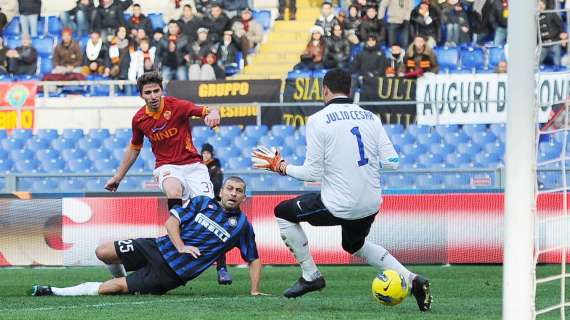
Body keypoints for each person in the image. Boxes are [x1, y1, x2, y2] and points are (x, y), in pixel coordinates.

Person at [251, 68, 432, 311]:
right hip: (370, 203)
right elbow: (393, 163)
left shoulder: (318, 120)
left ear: (324, 90)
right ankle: (412, 279)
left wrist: (281, 167)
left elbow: (311, 174)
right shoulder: (371, 117)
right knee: (353, 245)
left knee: (283, 211)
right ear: (350, 90)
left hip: (339, 204)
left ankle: (310, 275)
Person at [32, 177, 268, 297]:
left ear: (244, 198)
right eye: (230, 189)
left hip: (170, 274)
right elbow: (171, 222)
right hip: (156, 246)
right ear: (221, 191)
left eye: (239, 191)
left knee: (111, 289)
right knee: (102, 252)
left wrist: (254, 289)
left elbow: (253, 258)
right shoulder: (202, 202)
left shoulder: (242, 227)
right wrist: (181, 245)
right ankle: (128, 274)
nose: (233, 194)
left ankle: (55, 291)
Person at [103, 71, 231, 285]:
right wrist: (118, 176)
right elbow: (134, 149)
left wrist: (213, 114)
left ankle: (222, 265)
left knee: (211, 211)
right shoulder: (140, 119)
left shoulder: (178, 106)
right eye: (148, 92)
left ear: (162, 91)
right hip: (167, 167)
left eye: (156, 91)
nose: (153, 95)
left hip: (194, 166)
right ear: (141, 96)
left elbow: (208, 110)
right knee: (174, 191)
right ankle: (176, 238)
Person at [201, 142, 231, 284]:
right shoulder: (198, 168)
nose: (205, 155)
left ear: (211, 155)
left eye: (207, 153)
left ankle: (222, 269)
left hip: (212, 205)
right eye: (204, 153)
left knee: (219, 235)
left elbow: (217, 186)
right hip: (198, 205)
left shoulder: (215, 168)